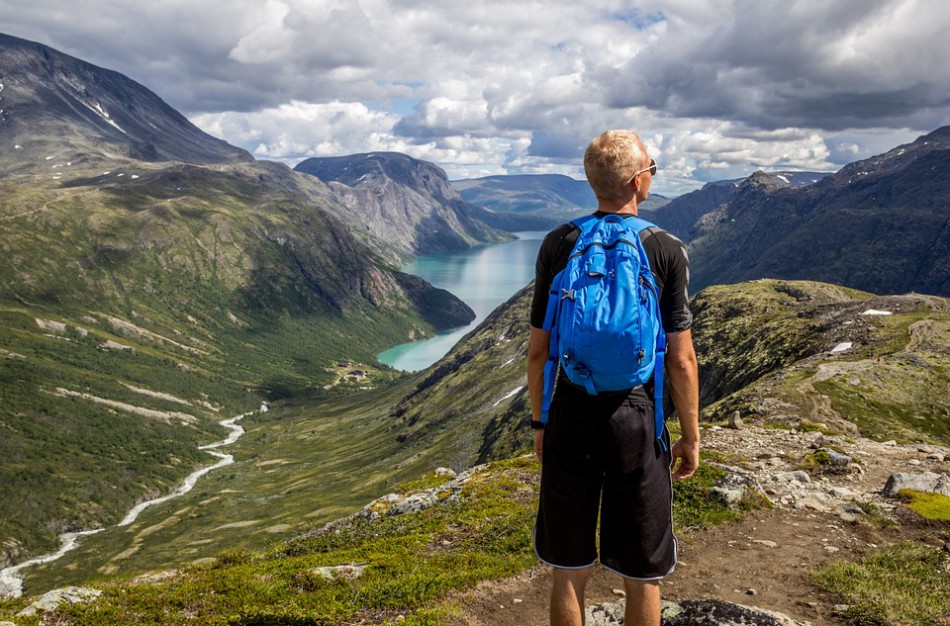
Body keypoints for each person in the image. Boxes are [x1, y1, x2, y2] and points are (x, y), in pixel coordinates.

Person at [527, 129, 700, 626]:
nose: (652, 176)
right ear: (637, 181)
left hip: (571, 412)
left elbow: (540, 352)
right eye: (652, 168)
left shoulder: (560, 242)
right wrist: (689, 437)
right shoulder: (665, 248)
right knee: (643, 572)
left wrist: (541, 424)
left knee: (568, 566)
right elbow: (681, 359)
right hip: (637, 415)